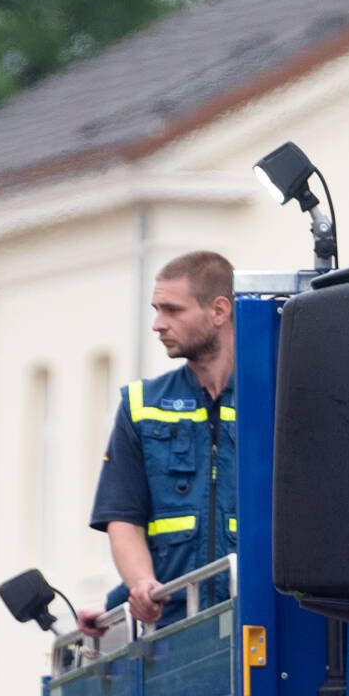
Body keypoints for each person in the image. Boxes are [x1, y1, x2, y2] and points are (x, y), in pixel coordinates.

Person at [89, 250, 238, 627]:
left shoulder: (275, 395)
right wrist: (140, 585)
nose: (157, 324)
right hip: (172, 626)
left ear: (219, 311)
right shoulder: (141, 405)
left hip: (262, 618)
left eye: (172, 311)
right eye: (157, 309)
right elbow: (122, 517)